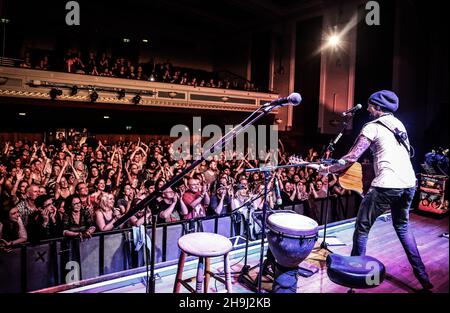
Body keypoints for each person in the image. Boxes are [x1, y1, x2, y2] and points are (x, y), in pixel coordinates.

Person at [320, 90, 433, 290]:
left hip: (387, 184)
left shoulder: (372, 127)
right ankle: (422, 276)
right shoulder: (398, 124)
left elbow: (351, 157)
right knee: (403, 227)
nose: (368, 109)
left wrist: (327, 169)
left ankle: (354, 277)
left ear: (377, 107)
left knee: (362, 227)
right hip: (409, 184)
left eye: (370, 105)